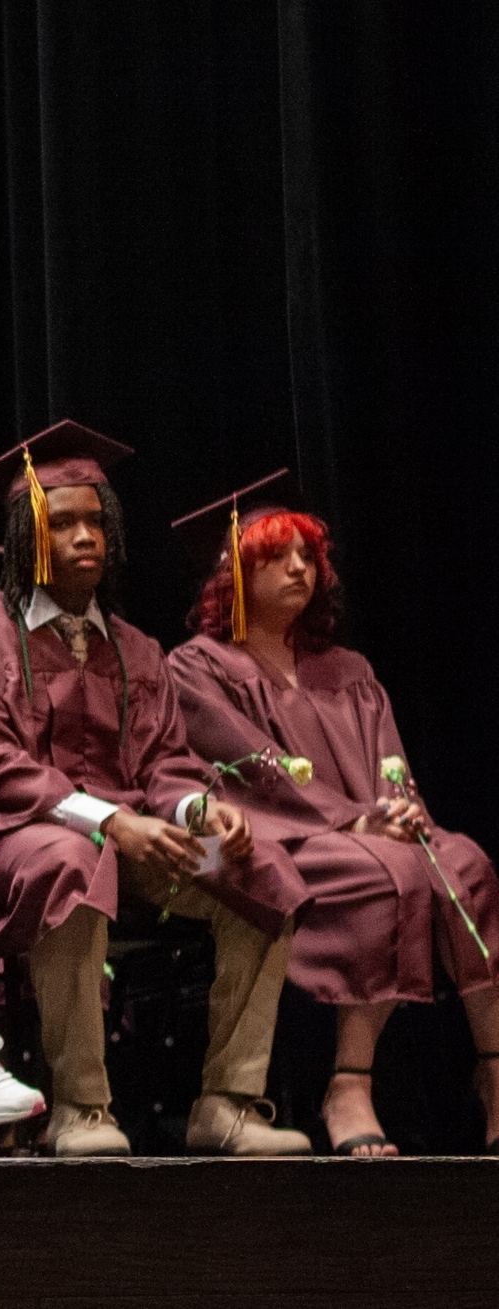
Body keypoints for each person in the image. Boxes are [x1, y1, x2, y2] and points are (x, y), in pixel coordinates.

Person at [0, 422, 308, 1155]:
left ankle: (226, 1101)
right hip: (9, 849)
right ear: (22, 535)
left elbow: (164, 759)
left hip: (135, 849)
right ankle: (82, 1108)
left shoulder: (136, 648)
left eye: (94, 519)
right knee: (70, 861)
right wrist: (105, 820)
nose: (83, 535)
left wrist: (199, 807)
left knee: (258, 870)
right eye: (59, 521)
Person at [165, 477, 499, 1155]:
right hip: (275, 838)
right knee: (380, 872)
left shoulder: (345, 666)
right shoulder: (197, 666)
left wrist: (396, 806)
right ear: (234, 571)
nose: (298, 568)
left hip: (369, 830)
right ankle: (348, 1081)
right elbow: (248, 766)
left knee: (466, 864)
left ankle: (493, 1072)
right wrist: (351, 823)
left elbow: (388, 762)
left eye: (307, 556)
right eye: (276, 555)